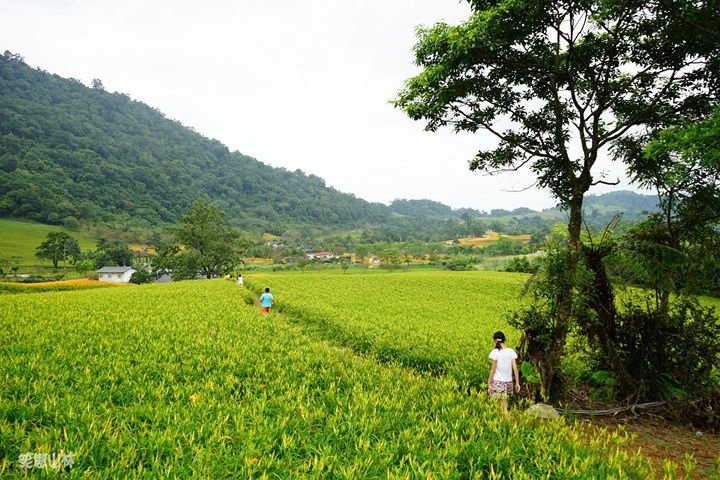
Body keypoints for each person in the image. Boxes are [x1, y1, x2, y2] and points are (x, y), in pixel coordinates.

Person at [487, 331, 520, 416]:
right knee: (503, 403)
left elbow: (493, 369)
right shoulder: (511, 351)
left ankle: (505, 423)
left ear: (495, 340)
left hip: (498, 382)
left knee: (499, 405)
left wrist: (489, 382)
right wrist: (517, 383)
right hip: (508, 382)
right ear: (504, 340)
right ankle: (503, 422)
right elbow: (515, 368)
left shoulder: (495, 352)